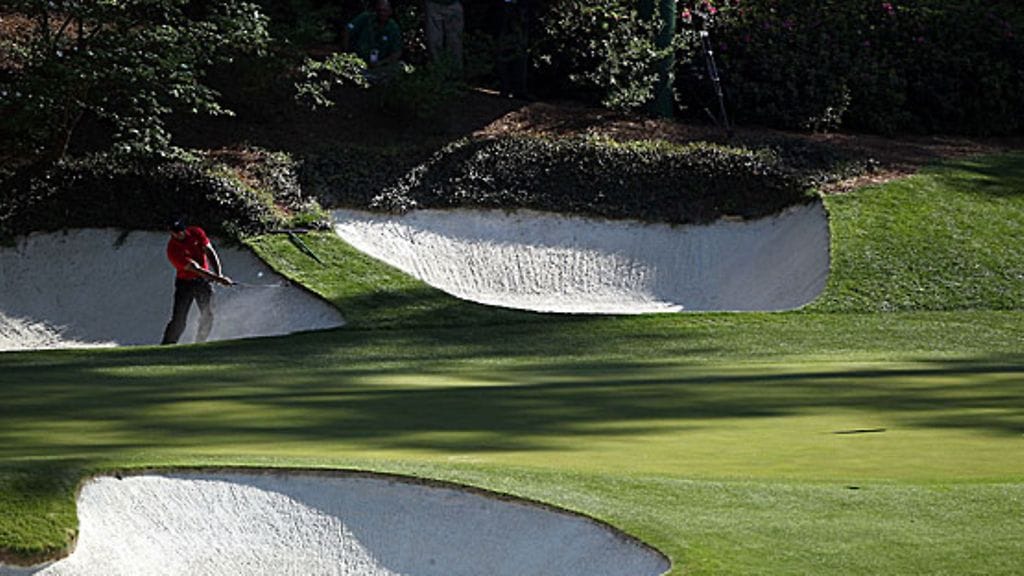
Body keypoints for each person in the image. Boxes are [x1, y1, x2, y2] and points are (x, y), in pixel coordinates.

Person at [161, 219, 233, 345]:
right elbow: (196, 269)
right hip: (185, 284)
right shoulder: (173, 249)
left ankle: (199, 343)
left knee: (208, 314)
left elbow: (210, 252)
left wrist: (219, 273)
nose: (179, 234)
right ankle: (167, 345)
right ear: (171, 233)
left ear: (185, 229)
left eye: (181, 231)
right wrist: (219, 279)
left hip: (203, 282)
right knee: (179, 320)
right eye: (175, 232)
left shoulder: (196, 232)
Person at [343, 0, 403, 81]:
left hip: (379, 64)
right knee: (349, 69)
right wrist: (346, 52)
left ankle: (370, 78)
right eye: (379, 10)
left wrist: (381, 63)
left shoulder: (393, 28)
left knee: (399, 67)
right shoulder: (366, 18)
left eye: (384, 10)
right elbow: (348, 29)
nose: (381, 13)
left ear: (390, 12)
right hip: (359, 61)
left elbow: (397, 52)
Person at [424, 0, 464, 74]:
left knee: (455, 43)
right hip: (433, 4)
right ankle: (437, 73)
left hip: (453, 4)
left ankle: (456, 74)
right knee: (434, 41)